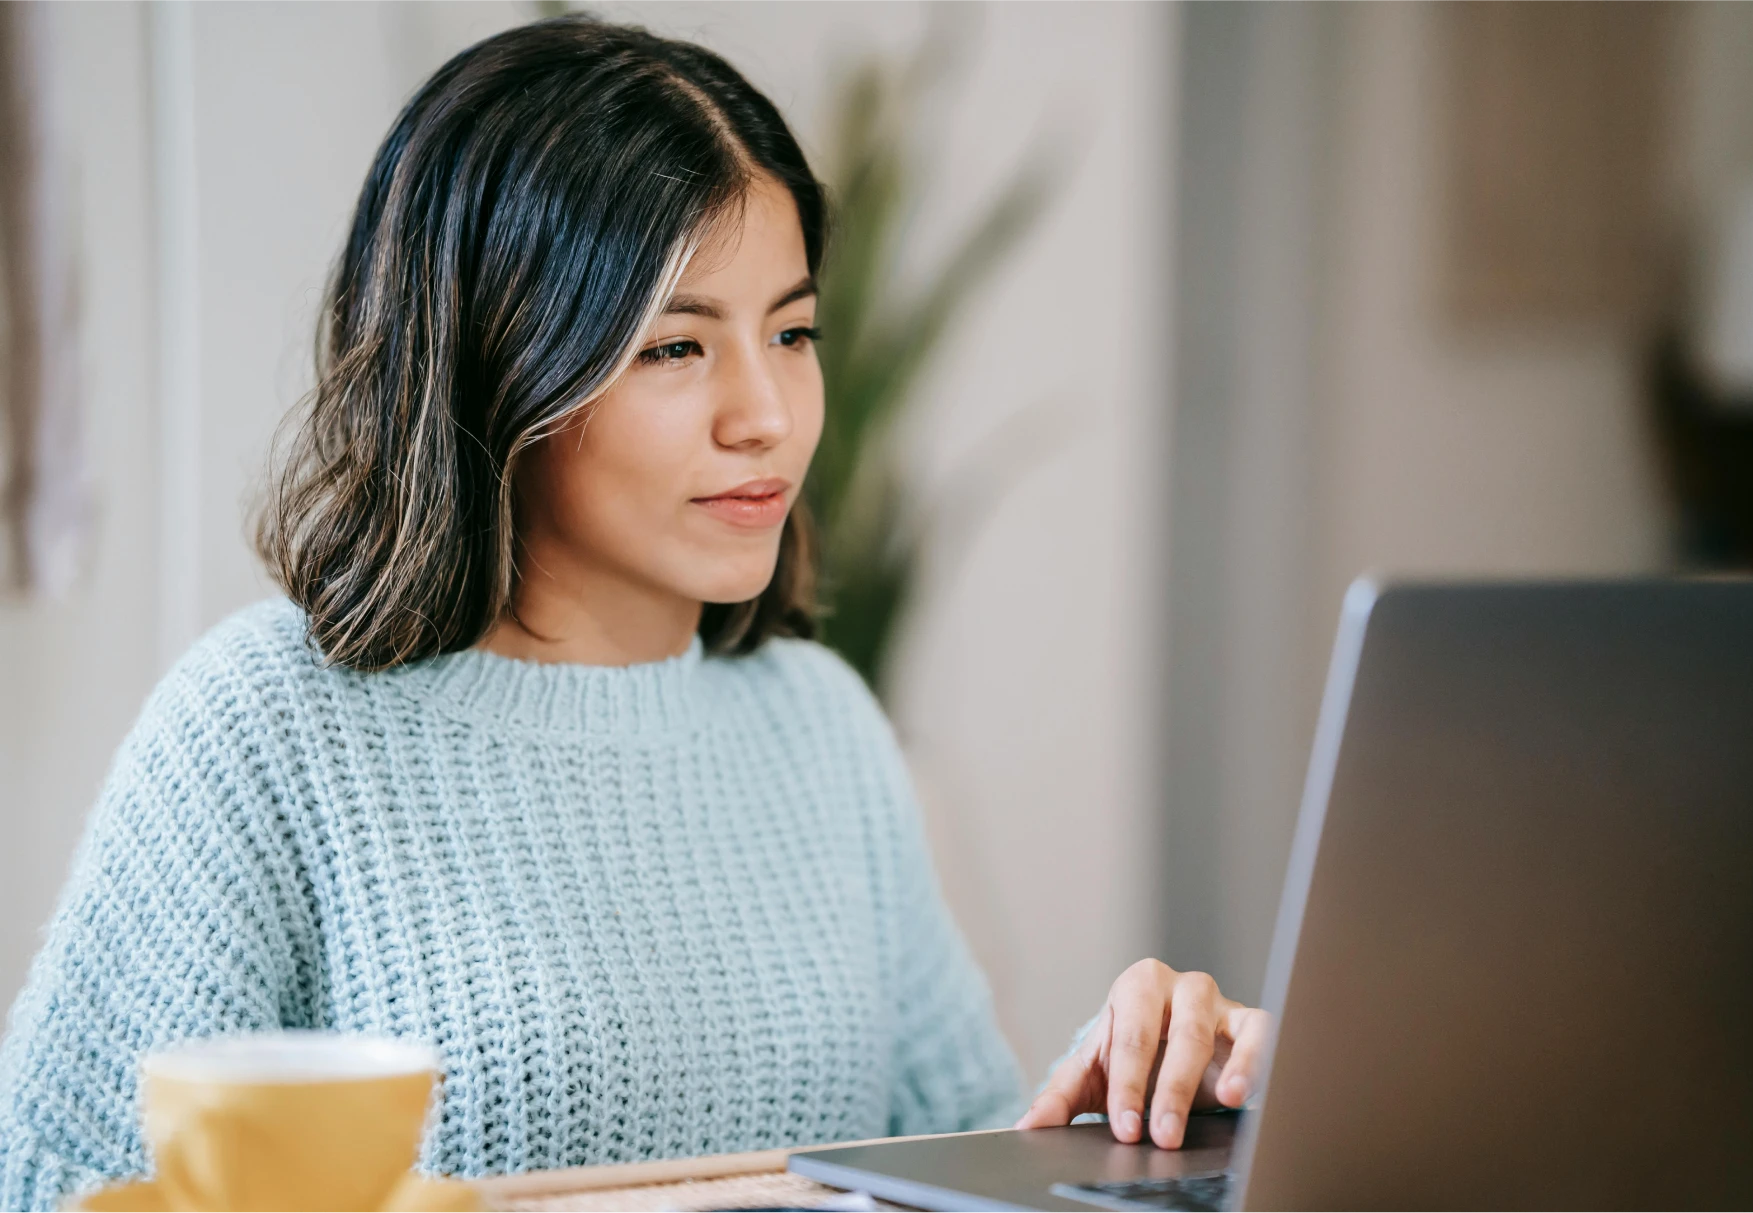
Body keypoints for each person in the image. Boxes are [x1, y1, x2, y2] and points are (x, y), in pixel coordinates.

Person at [0, 18, 1265, 1213]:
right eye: (677, 346)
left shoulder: (818, 726)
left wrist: (1144, 1116)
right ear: (501, 363)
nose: (766, 413)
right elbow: (47, 1182)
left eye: (795, 330)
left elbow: (954, 1151)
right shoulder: (266, 729)